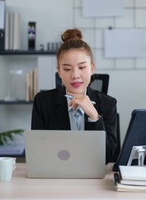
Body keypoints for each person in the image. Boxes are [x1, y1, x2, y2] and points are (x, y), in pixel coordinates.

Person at [31, 28, 117, 164]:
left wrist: (94, 117)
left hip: (93, 178)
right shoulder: (43, 102)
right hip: (56, 175)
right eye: (67, 69)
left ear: (92, 69)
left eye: (82, 67)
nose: (75, 75)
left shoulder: (108, 104)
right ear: (59, 71)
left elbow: (108, 158)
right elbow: (38, 151)